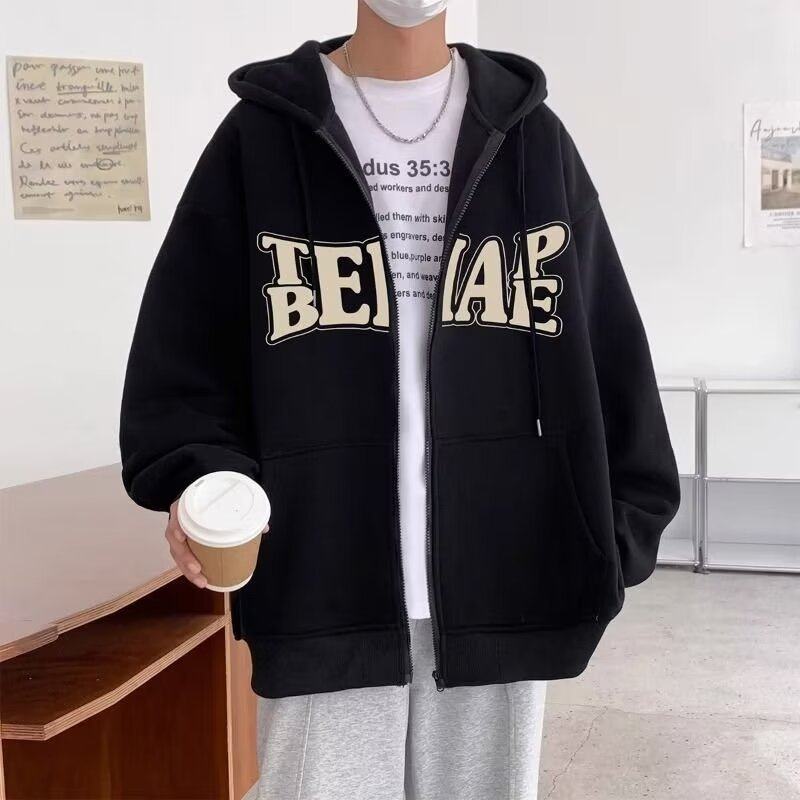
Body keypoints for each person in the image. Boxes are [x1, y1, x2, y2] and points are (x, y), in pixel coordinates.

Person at [119, 1, 681, 797]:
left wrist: (605, 539)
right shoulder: (261, 137)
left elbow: (608, 346)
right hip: (320, 585)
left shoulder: (532, 140)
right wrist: (200, 478)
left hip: (508, 581)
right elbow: (184, 356)